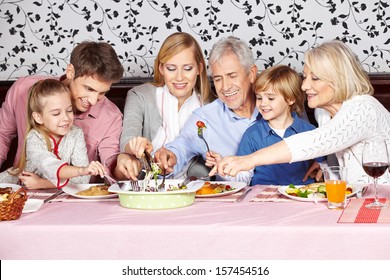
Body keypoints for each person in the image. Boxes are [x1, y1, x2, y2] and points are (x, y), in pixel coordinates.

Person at [210, 40, 390, 185]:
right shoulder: (323, 113)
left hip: (381, 199)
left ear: (338, 79)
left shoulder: (363, 109)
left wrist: (248, 160)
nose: (304, 86)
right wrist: (322, 163)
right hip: (356, 198)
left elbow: (316, 140)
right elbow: (334, 148)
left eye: (315, 78)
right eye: (305, 76)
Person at [0, 41, 124, 188]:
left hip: (77, 198)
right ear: (71, 72)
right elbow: (2, 135)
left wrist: (124, 163)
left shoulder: (111, 117)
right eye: (89, 89)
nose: (93, 100)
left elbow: (109, 169)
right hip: (22, 191)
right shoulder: (23, 90)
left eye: (102, 92)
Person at [154, 36, 259, 180]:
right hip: (233, 200)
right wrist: (169, 158)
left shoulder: (277, 105)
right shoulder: (205, 119)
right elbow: (181, 146)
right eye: (217, 79)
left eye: (232, 76)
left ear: (251, 73)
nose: (225, 87)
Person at [116, 32, 213, 180]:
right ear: (161, 68)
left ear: (199, 68)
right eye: (171, 68)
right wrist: (135, 145)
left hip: (195, 189)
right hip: (147, 186)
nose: (179, 77)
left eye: (187, 68)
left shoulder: (212, 106)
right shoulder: (139, 95)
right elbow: (128, 136)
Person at [212, 65, 325, 186]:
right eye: (259, 98)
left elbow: (323, 168)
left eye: (271, 98)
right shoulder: (252, 134)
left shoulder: (310, 132)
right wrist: (224, 170)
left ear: (290, 99)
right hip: (262, 198)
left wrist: (323, 167)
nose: (263, 104)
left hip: (300, 195)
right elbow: (243, 177)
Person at [0, 79, 105, 189]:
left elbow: (82, 180)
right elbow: (49, 164)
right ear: (38, 117)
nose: (65, 118)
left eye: (69, 111)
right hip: (14, 187)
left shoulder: (76, 134)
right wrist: (81, 170)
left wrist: (42, 183)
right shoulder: (34, 137)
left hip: (56, 195)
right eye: (56, 113)